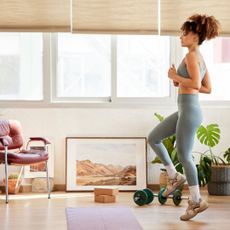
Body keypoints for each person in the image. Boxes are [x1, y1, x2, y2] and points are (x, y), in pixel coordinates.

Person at [148, 14, 220, 221]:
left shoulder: (191, 56)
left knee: (184, 156)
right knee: (154, 137)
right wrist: (180, 81)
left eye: (184, 33)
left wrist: (175, 77)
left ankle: (197, 201)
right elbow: (208, 88)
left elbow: (197, 85)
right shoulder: (198, 57)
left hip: (189, 110)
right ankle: (174, 176)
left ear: (196, 35)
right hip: (186, 109)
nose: (181, 37)